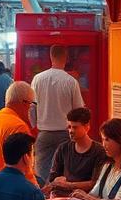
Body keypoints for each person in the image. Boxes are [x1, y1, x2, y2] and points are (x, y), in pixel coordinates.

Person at [31, 45, 84, 186]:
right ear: (65, 59)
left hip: (44, 134)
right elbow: (79, 110)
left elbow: (32, 106)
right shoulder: (71, 82)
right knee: (65, 173)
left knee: (41, 174)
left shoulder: (37, 79)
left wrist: (33, 124)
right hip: (66, 134)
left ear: (51, 57)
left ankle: (43, 199)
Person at [46, 107, 108, 196]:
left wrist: (69, 185)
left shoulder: (99, 151)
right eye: (69, 127)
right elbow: (53, 176)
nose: (71, 131)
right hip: (60, 198)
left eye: (75, 127)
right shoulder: (63, 148)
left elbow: (96, 183)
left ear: (87, 127)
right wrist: (56, 181)